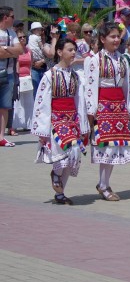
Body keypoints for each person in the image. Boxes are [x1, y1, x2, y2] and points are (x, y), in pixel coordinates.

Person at [33, 38, 89, 205]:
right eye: (70, 50)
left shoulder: (76, 76)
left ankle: (60, 194)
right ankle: (56, 174)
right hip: (56, 120)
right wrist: (43, 129)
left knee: (73, 154)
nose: (73, 53)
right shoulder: (50, 75)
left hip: (72, 119)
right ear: (59, 52)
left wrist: (83, 124)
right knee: (63, 153)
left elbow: (80, 100)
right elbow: (42, 102)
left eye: (74, 50)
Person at [84, 23, 130, 201]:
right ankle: (103, 185)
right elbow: (90, 87)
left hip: (118, 107)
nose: (116, 40)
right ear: (102, 39)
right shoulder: (94, 60)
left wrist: (129, 107)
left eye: (117, 36)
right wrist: (91, 112)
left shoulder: (122, 59)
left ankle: (104, 183)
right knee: (105, 147)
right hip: (103, 106)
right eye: (112, 36)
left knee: (114, 147)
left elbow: (127, 85)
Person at [0, 7, 23, 147]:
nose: (14, 19)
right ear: (5, 17)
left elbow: (20, 50)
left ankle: (1, 137)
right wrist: (11, 51)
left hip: (8, 74)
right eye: (12, 16)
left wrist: (4, 49)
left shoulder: (11, 32)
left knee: (5, 107)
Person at [12, 30, 34, 131]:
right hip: (19, 77)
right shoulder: (16, 50)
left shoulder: (29, 50)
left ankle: (28, 124)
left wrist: (30, 75)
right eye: (20, 37)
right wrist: (17, 78)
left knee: (29, 102)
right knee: (19, 103)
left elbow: (31, 64)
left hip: (28, 78)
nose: (22, 39)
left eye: (24, 37)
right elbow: (16, 64)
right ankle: (16, 125)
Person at [28, 21, 46, 97]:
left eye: (40, 30)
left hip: (40, 63)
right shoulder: (37, 37)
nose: (40, 32)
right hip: (34, 63)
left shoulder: (30, 37)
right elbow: (41, 46)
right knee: (38, 88)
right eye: (38, 30)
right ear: (33, 30)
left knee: (38, 88)